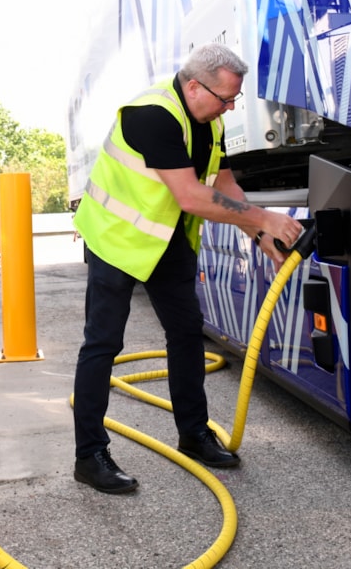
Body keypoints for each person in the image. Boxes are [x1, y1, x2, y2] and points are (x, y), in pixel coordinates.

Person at [71, 42, 303, 494]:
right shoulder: (151, 115)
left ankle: (194, 434)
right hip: (116, 239)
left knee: (186, 333)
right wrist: (264, 218)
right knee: (103, 343)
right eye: (225, 98)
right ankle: (90, 456)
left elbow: (224, 182)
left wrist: (260, 235)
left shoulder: (208, 121)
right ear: (194, 85)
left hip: (166, 240)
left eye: (234, 99)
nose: (231, 107)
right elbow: (192, 197)